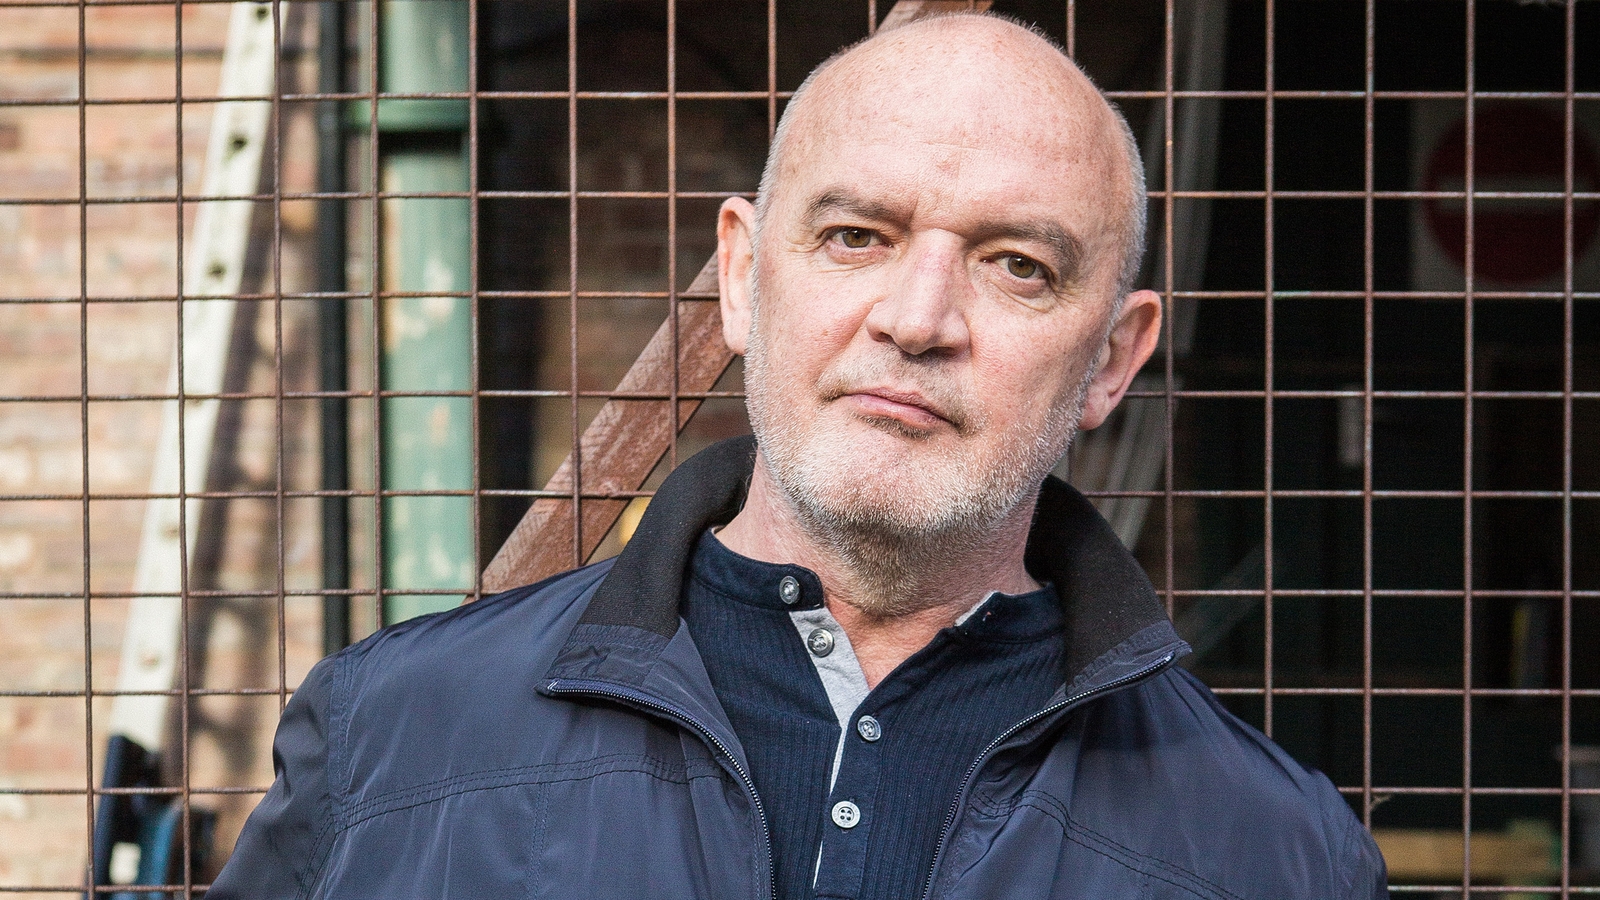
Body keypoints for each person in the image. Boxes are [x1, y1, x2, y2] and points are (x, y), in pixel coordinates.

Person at [212, 12, 1388, 899]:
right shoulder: (395, 736)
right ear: (740, 276)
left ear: (1113, 360)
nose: (917, 320)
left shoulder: (1275, 855)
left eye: (1017, 266)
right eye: (855, 236)